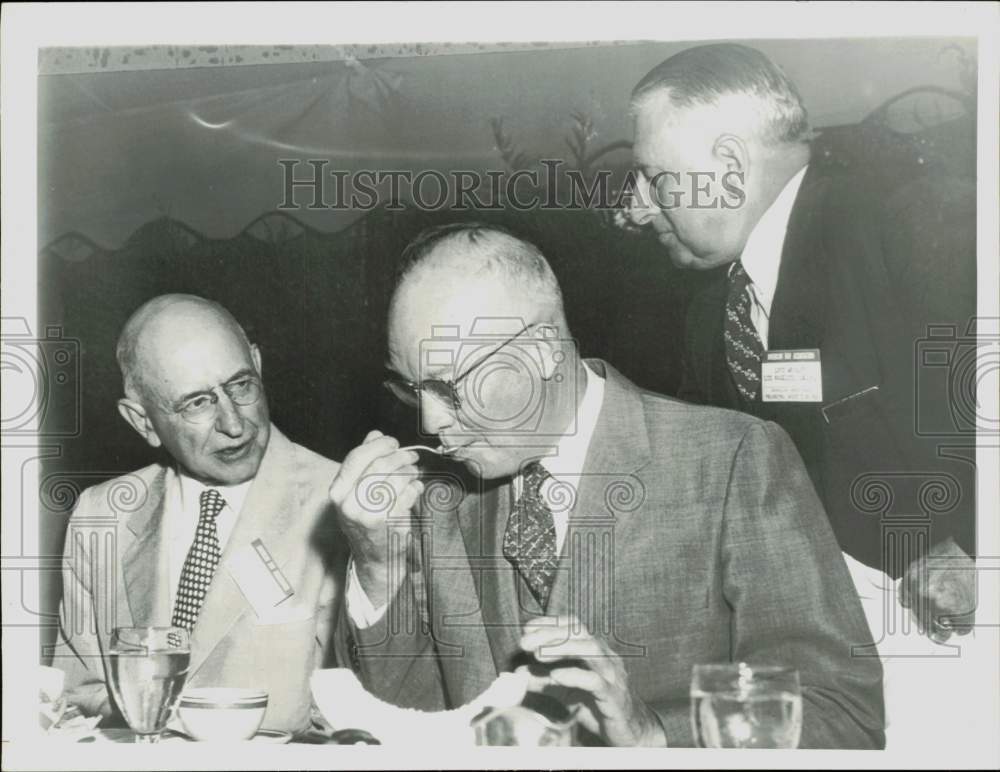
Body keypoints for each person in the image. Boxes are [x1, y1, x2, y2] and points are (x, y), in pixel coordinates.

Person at [328, 222, 884, 748]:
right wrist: (378, 565)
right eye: (410, 388)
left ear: (543, 351)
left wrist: (655, 735)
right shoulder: (438, 497)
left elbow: (843, 714)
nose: (429, 422)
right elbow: (405, 724)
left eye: (450, 387)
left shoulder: (731, 461)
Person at [624, 43, 977, 644]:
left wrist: (971, 544)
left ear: (730, 167)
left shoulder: (908, 222)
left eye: (655, 178)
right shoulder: (710, 315)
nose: (635, 208)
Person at [52, 294, 345, 734]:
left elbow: (362, 712)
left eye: (241, 385)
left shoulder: (342, 502)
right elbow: (74, 699)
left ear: (259, 367)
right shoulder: (101, 515)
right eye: (197, 403)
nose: (233, 423)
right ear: (143, 422)